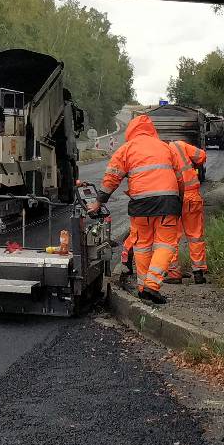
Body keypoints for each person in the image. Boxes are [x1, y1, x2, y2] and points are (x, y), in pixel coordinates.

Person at [92, 114, 185, 305]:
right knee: (166, 245)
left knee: (142, 245)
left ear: (131, 131)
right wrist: (179, 201)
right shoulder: (165, 147)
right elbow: (180, 178)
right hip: (167, 202)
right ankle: (152, 285)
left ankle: (143, 288)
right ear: (152, 130)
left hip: (140, 205)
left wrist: (99, 201)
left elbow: (112, 177)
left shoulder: (127, 149)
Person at [164, 138, 209, 285]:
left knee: (171, 237)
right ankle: (199, 272)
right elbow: (202, 156)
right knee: (195, 235)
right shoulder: (180, 145)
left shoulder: (159, 152)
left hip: (173, 198)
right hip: (191, 196)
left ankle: (174, 273)